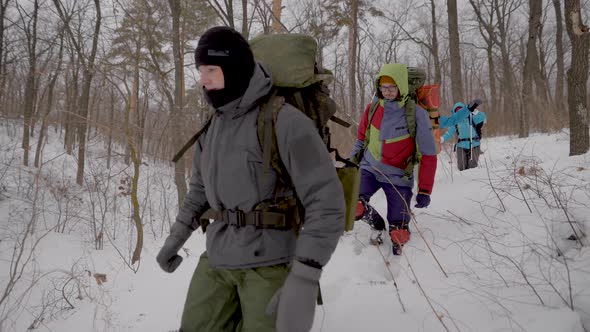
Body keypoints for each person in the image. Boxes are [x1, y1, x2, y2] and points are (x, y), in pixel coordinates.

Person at [156, 26, 345, 332]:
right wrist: (175, 238)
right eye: (200, 70)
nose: (202, 79)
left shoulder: (284, 122)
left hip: (270, 261)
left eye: (210, 70)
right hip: (218, 257)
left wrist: (306, 275)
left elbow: (327, 202)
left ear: (232, 68)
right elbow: (199, 192)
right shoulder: (213, 126)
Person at [349, 63, 437, 255]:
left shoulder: (416, 114)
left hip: (398, 176)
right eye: (383, 87)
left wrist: (425, 190)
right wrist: (350, 163)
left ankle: (397, 234)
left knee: (399, 234)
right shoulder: (372, 109)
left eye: (392, 87)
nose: (387, 92)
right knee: (352, 206)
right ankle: (377, 224)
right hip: (370, 168)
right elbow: (362, 139)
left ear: (402, 87)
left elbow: (429, 154)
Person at [440, 101, 487, 171]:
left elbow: (483, 117)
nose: (460, 113)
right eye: (457, 111)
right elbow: (449, 133)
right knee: (462, 167)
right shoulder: (455, 122)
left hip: (474, 144)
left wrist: (476, 112)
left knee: (472, 166)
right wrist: (442, 139)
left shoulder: (472, 118)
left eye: (461, 111)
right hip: (461, 146)